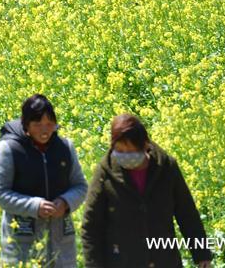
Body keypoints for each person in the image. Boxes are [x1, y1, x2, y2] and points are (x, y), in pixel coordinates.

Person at [81, 114, 213, 268]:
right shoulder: (105, 173)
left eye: (130, 151)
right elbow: (91, 226)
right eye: (119, 151)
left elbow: (187, 214)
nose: (124, 157)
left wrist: (202, 255)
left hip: (164, 260)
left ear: (145, 145)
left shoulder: (166, 167)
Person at [0, 94, 88, 267]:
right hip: (22, 244)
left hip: (61, 244)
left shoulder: (65, 147)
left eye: (50, 124)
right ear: (26, 125)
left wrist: (65, 202)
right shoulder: (10, 149)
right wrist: (34, 206)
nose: (45, 130)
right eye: (38, 124)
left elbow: (80, 186)